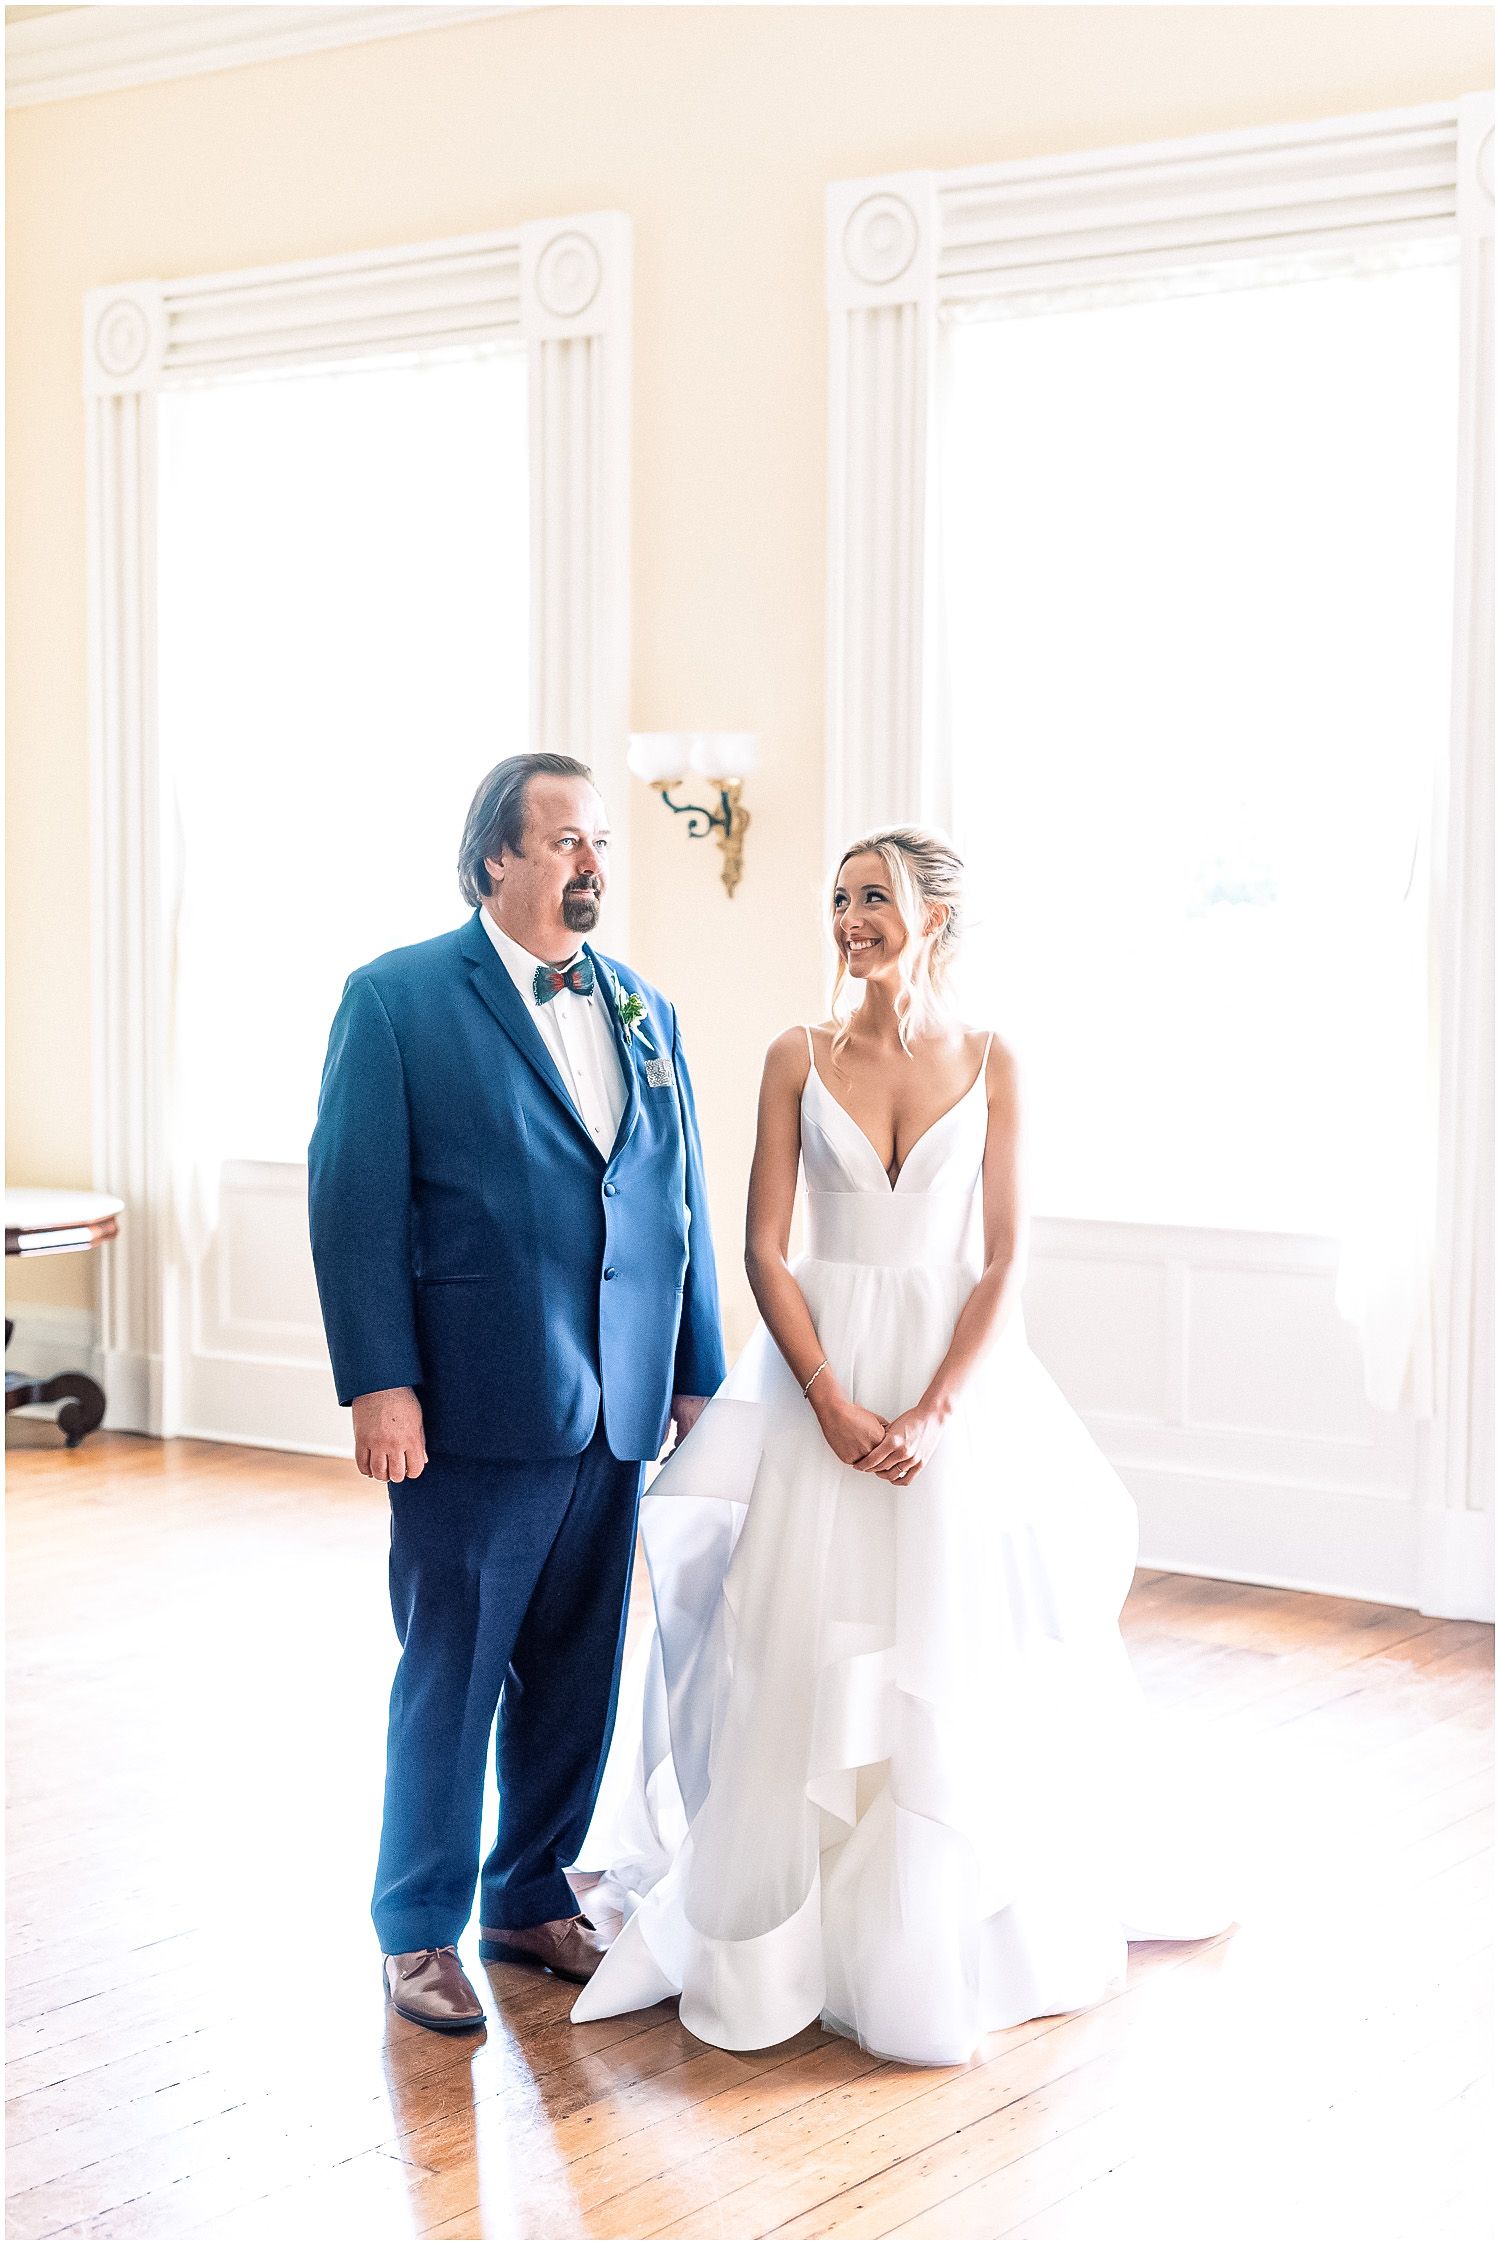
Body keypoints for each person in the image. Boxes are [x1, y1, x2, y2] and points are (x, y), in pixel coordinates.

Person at [572, 826, 1230, 2066]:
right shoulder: (793, 1054)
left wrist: (934, 1411)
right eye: (838, 898)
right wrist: (824, 1394)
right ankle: (787, 1940)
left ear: (932, 913)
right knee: (796, 1639)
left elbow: (1005, 1257)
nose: (849, 917)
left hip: (952, 1387)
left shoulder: (994, 1059)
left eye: (872, 896)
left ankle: (930, 1933)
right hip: (821, 1380)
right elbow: (764, 1248)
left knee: (947, 1645)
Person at [308, 751, 725, 2035]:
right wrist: (382, 1383)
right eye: (567, 844)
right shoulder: (397, 1001)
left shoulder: (644, 1006)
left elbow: (676, 1197)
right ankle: (417, 1928)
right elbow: (352, 1206)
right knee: (453, 1670)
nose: (593, 864)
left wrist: (695, 1370)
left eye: (602, 843)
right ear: (499, 857)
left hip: (615, 1407)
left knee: (575, 1665)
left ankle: (528, 1892)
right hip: (475, 1405)